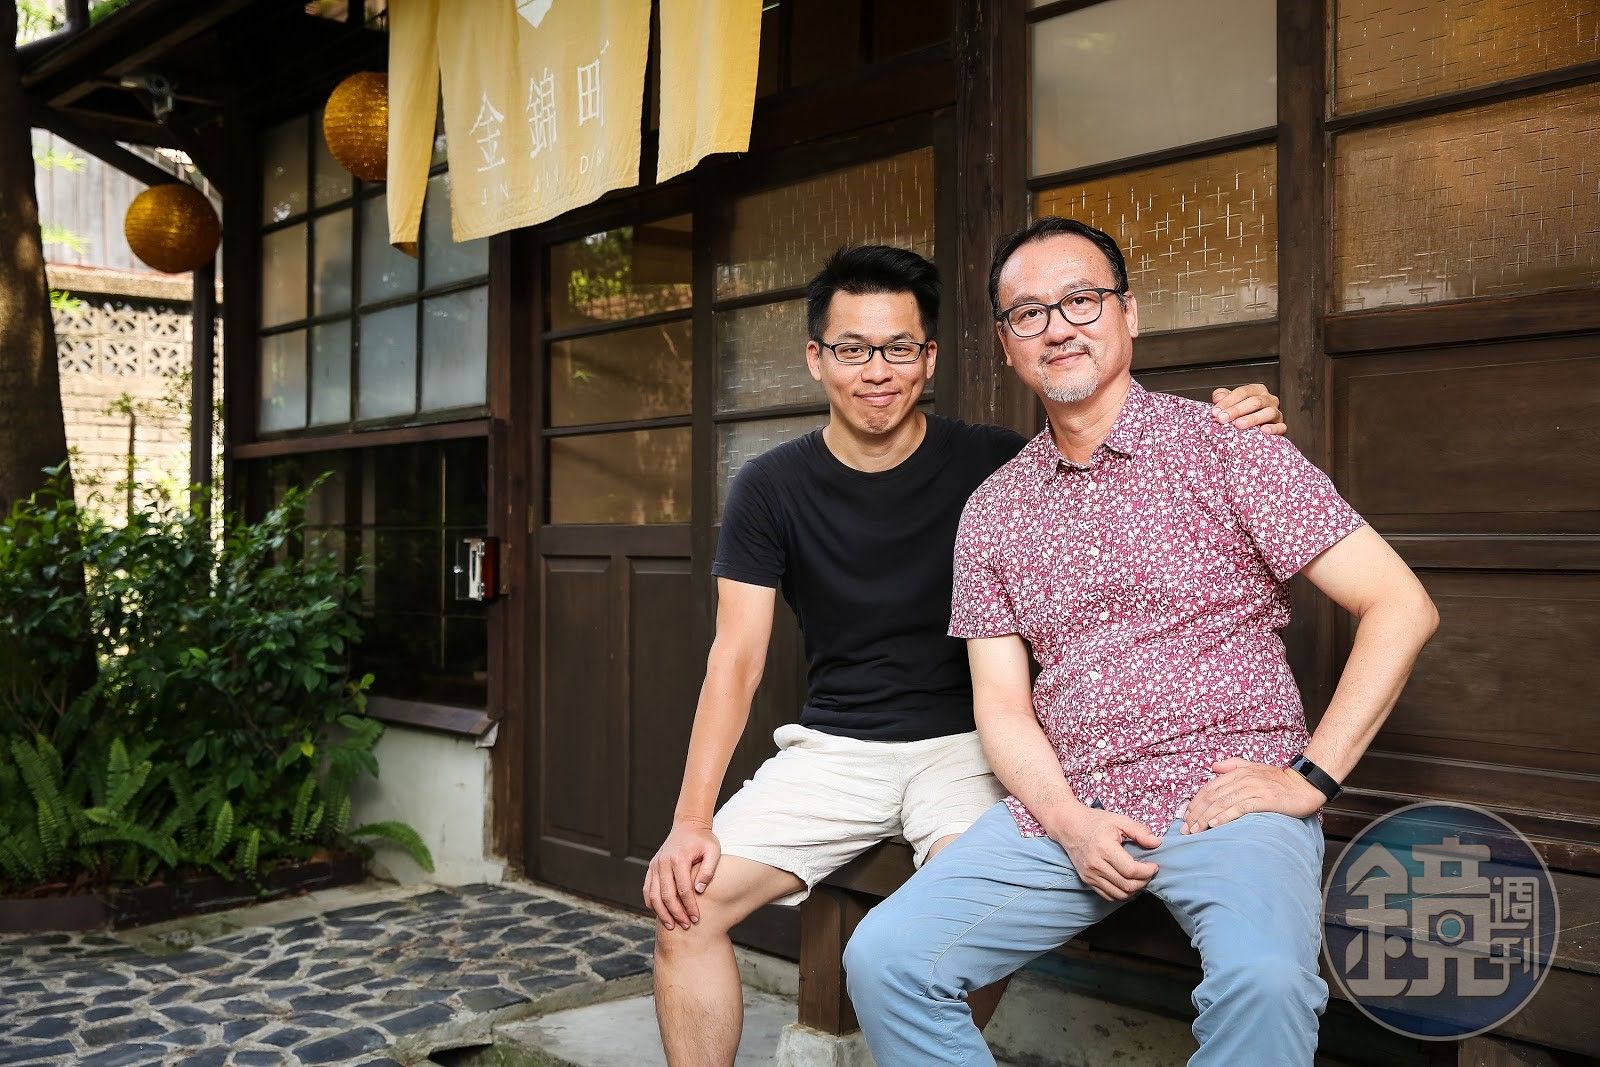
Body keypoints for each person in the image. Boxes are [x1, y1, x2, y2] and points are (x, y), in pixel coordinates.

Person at [644, 244, 1287, 1066]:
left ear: (930, 357)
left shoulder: (994, 463)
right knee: (684, 908)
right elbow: (735, 658)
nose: (877, 370)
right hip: (834, 748)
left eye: (899, 347)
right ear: (816, 358)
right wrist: (690, 821)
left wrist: (1240, 415)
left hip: (974, 744)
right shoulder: (768, 487)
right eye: (852, 348)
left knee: (956, 928)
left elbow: (1106, 428)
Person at [841, 217, 1440, 1066]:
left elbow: (1400, 605)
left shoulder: (1229, 448)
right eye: (1029, 313)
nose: (1058, 326)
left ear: (1129, 313)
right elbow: (1002, 704)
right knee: (887, 958)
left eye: (1081, 299)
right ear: (1007, 345)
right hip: (1072, 803)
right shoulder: (994, 510)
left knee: (1267, 980)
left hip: (1227, 792)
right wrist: (1068, 822)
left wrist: (1309, 777)